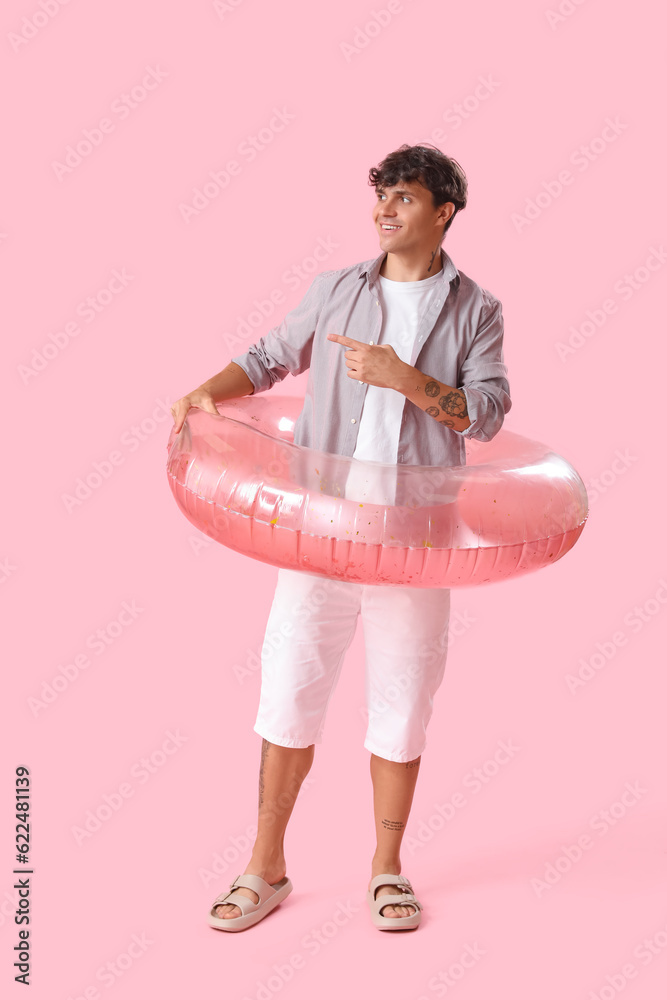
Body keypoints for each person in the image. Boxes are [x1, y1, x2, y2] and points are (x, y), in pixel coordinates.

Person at [171, 143, 512, 932]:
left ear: (443, 211)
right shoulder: (335, 291)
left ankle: (387, 870)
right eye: (381, 195)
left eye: (403, 197)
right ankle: (265, 866)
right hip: (319, 530)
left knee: (401, 705)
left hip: (415, 539)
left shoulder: (476, 309)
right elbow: (266, 358)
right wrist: (203, 389)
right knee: (288, 691)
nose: (384, 209)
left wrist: (411, 381)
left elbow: (488, 411)